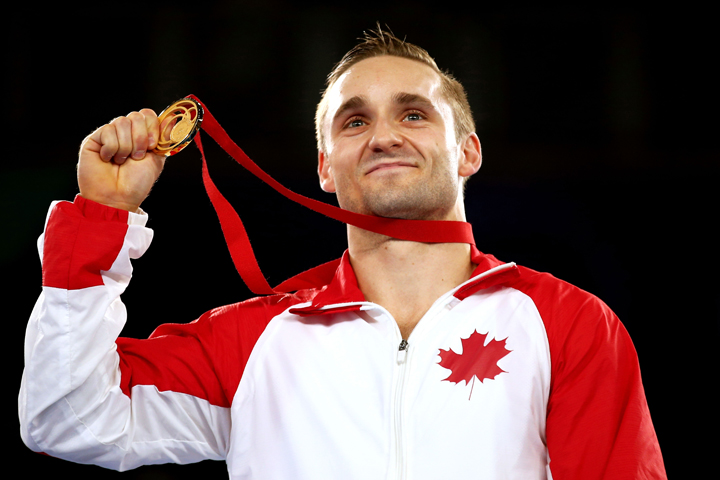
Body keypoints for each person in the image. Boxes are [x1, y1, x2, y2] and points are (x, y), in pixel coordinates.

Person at [19, 27, 667, 479]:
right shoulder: (253, 344)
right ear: (326, 166)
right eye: (354, 121)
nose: (382, 134)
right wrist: (104, 218)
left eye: (414, 114)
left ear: (467, 150)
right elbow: (66, 420)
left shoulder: (569, 326)